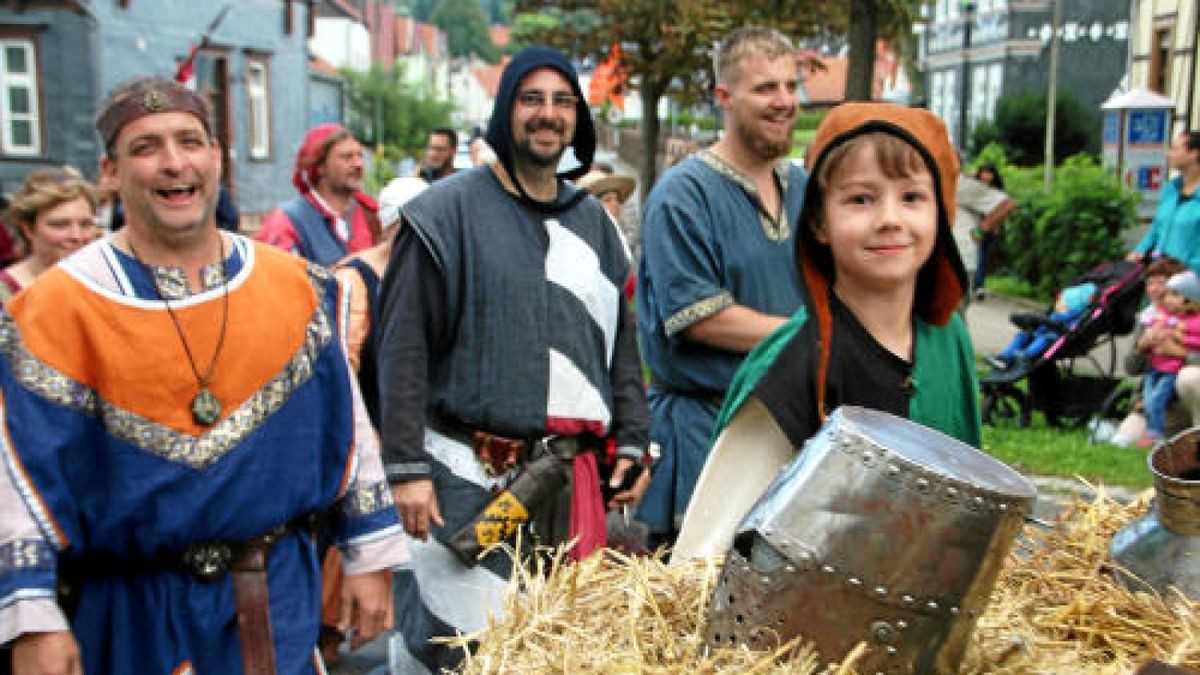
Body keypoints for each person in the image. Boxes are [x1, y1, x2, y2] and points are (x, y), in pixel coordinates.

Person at [0, 76, 406, 674]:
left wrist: (369, 552)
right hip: (131, 610)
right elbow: (16, 472)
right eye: (146, 148)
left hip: (277, 596)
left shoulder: (295, 287)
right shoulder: (54, 310)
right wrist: (31, 613)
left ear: (216, 157)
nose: (173, 163)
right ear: (110, 171)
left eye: (189, 141)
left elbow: (346, 425)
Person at [375, 45, 651, 673]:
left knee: (560, 656)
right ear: (506, 111)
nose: (547, 114)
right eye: (532, 99)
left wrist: (633, 440)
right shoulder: (443, 214)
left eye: (561, 101)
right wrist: (407, 467)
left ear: (576, 118)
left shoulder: (595, 225)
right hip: (462, 477)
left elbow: (620, 347)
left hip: (565, 488)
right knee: (457, 652)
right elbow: (402, 350)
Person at [678, 102, 979, 557]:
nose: (889, 219)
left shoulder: (946, 338)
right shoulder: (795, 362)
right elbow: (704, 559)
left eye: (912, 197)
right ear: (819, 221)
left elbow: (972, 501)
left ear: (942, 212)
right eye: (861, 198)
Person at [635, 26, 807, 547]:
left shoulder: (803, 188)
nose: (783, 102)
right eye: (765, 89)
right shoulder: (683, 195)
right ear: (724, 98)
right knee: (694, 615)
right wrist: (816, 337)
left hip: (789, 435)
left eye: (791, 86)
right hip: (705, 435)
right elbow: (703, 318)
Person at [255, 123, 379, 266]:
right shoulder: (286, 221)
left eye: (360, 156)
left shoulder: (370, 216)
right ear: (320, 167)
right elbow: (276, 278)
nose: (358, 164)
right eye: (347, 157)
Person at [0, 167, 100, 304]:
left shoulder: (107, 287)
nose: (76, 236)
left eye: (86, 224)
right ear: (28, 229)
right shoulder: (5, 294)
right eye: (60, 225)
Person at [1136, 270, 1200, 447]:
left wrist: (1180, 347)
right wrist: (1143, 345)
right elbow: (1131, 367)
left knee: (1158, 398)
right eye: (1150, 283)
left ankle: (1157, 434)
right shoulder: (1156, 315)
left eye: (1161, 284)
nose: (1156, 290)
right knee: (1149, 401)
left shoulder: (1194, 320)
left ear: (1188, 298)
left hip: (1174, 373)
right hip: (1155, 369)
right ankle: (1155, 433)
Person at [1127, 131, 1200, 271]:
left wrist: (1188, 270)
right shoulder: (1171, 189)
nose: (1168, 154)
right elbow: (1156, 227)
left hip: (1189, 274)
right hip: (1158, 269)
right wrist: (1139, 251)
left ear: (1194, 153)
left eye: (1174, 149)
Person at [987, 281, 1097, 370]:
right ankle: (1005, 357)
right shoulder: (1055, 314)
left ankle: (1026, 356)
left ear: (1071, 307)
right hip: (1041, 331)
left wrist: (1064, 324)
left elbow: (1073, 330)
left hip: (1056, 337)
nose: (1056, 304)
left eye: (1060, 302)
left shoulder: (1074, 318)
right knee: (1023, 335)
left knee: (1044, 339)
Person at [956, 165, 1014, 301]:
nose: (987, 176)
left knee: (982, 259)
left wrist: (984, 228)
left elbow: (1006, 204)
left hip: (967, 245)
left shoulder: (963, 185)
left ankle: (979, 286)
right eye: (984, 172)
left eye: (990, 173)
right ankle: (977, 286)